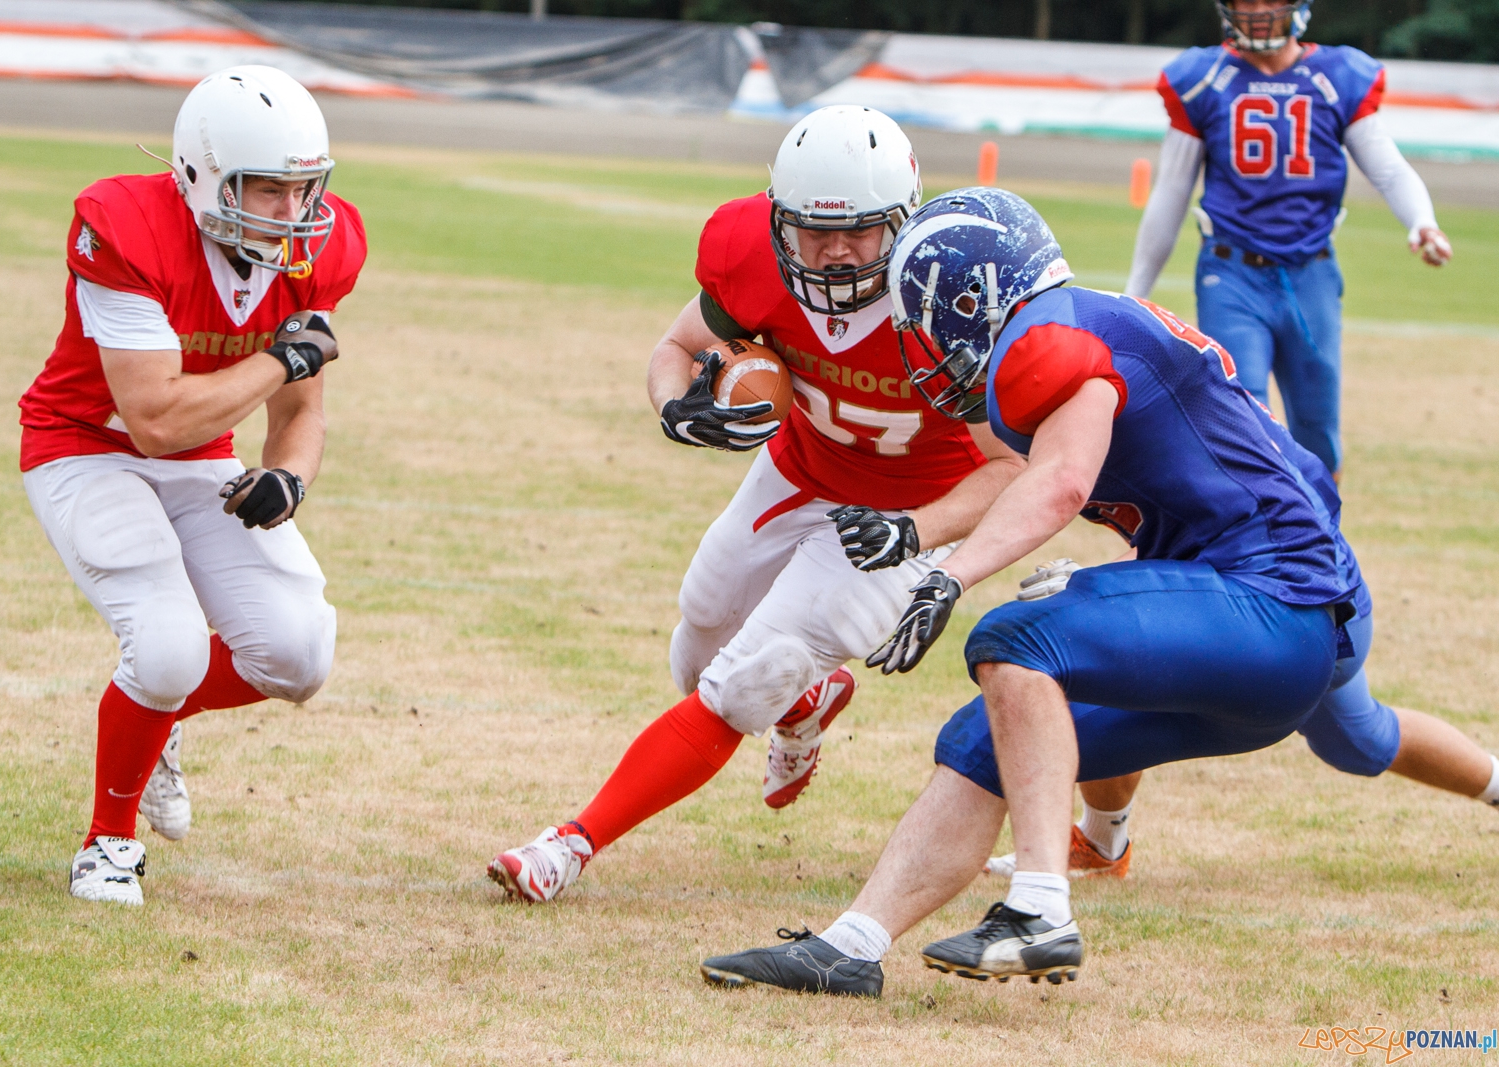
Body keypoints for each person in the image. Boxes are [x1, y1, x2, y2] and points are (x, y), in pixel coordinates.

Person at [699, 186, 1369, 993]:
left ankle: (1040, 909)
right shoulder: (1087, 324)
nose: (920, 345)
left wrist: (949, 575)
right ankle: (851, 946)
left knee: (1017, 638)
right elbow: (1297, 480)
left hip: (1270, 609)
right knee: (987, 736)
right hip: (1267, 626)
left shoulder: (1046, 334)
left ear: (968, 298)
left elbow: (1060, 481)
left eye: (920, 318)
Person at [485, 107, 1027, 904]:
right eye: (814, 231)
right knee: (697, 647)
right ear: (779, 221)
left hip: (908, 514)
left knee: (742, 684)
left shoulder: (947, 291)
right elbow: (676, 348)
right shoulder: (752, 255)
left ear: (902, 222)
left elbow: (1013, 466)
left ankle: (569, 843)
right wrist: (676, 406)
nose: (835, 253)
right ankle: (807, 701)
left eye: (859, 231)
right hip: (802, 468)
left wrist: (916, 531)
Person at [18, 65, 367, 905]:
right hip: (85, 445)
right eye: (269, 189)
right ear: (204, 176)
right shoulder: (125, 227)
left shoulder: (316, 248)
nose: (294, 211)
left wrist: (289, 477)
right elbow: (154, 420)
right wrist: (279, 358)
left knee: (298, 650)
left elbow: (301, 407)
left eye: (304, 188)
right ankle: (109, 842)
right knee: (168, 646)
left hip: (201, 454)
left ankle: (160, 715)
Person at [981, 560, 1499, 881]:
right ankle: (1100, 843)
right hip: (1303, 598)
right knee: (1360, 739)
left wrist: (1101, 585)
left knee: (1106, 667)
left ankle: (1082, 859)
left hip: (1287, 611)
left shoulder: (1185, 433)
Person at [1126, 0, 1452, 478]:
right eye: (1246, 0)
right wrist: (1137, 292)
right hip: (1231, 272)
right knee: (1244, 422)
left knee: (1318, 432)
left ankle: (1320, 524)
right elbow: (1172, 189)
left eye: (1269, 0)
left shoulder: (1336, 76)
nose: (1257, 11)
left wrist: (1422, 220)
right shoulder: (1204, 78)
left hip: (1310, 272)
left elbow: (1387, 168)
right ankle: (1257, 526)